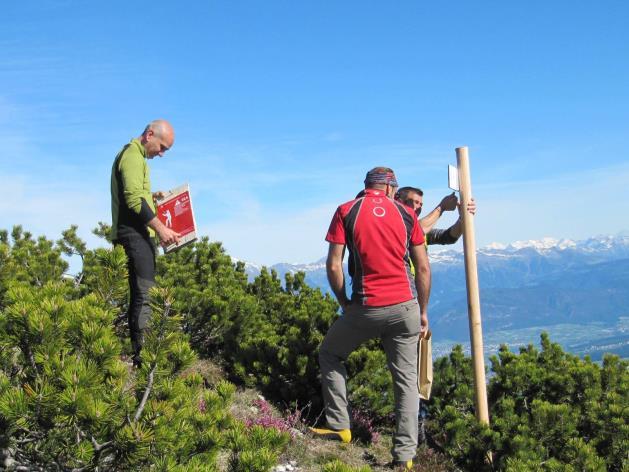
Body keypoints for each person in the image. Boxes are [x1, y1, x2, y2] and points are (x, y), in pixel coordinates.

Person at [310, 167, 431, 470]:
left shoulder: (346, 210)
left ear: (366, 186)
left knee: (330, 354)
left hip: (366, 306)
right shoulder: (407, 215)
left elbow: (334, 265)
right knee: (406, 382)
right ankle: (404, 458)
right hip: (405, 307)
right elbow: (424, 269)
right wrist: (423, 311)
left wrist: (345, 303)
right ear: (392, 189)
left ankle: (339, 426)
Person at [110, 119, 180, 367]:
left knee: (143, 295)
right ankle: (144, 361)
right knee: (144, 296)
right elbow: (131, 199)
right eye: (162, 147)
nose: (161, 154)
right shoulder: (132, 156)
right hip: (133, 235)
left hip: (136, 234)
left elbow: (136, 194)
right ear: (150, 135)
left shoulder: (136, 157)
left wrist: (152, 196)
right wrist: (161, 228)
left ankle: (143, 356)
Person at [395, 187, 476, 246]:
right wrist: (442, 207)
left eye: (421, 204)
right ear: (399, 201)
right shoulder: (394, 225)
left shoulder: (424, 231)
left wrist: (462, 218)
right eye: (415, 202)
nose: (418, 207)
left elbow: (449, 237)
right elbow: (416, 230)